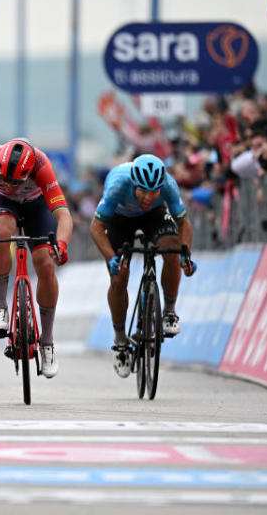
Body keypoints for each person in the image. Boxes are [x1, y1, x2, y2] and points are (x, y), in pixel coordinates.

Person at [0, 138, 72, 379]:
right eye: (4, 179)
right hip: (3, 204)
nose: (9, 184)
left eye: (15, 181)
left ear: (28, 173)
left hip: (37, 207)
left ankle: (47, 343)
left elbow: (64, 216)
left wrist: (62, 245)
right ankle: (1, 307)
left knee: (46, 264)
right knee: (2, 233)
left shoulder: (41, 165)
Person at [88, 154, 197, 379]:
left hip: (153, 217)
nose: (149, 196)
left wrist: (185, 254)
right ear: (134, 184)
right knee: (119, 277)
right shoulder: (118, 184)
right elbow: (97, 227)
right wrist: (111, 258)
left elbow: (183, 222)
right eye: (143, 191)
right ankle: (120, 341)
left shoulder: (168, 185)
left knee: (172, 249)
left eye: (154, 191)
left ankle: (169, 312)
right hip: (119, 220)